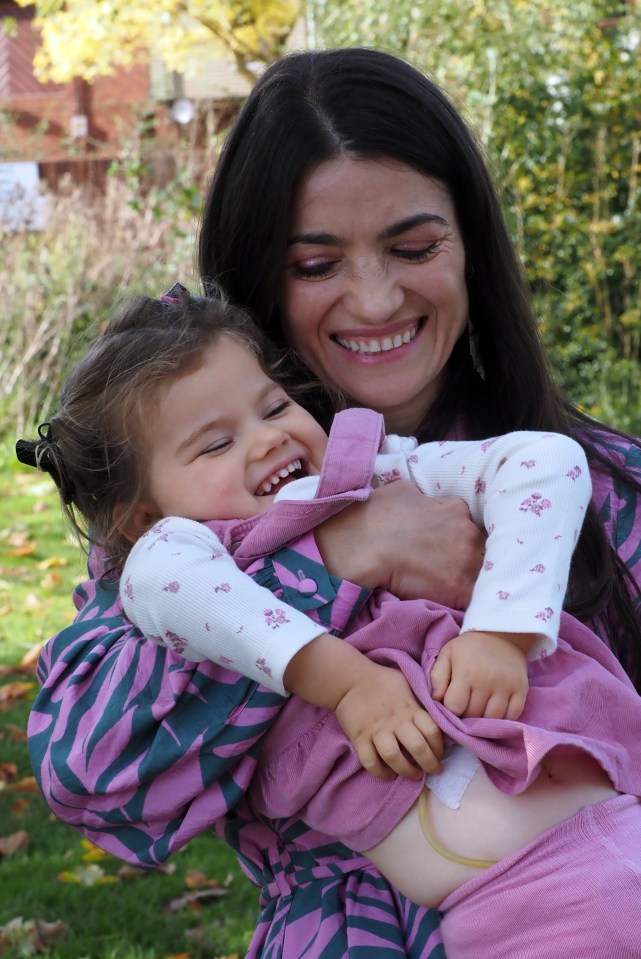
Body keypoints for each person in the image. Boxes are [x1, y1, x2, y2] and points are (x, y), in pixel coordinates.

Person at [25, 47, 641, 959]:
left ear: (471, 248)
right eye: (317, 263)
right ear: (259, 280)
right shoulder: (191, 532)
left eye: (414, 246)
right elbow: (98, 780)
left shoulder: (603, 489)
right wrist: (331, 556)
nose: (375, 296)